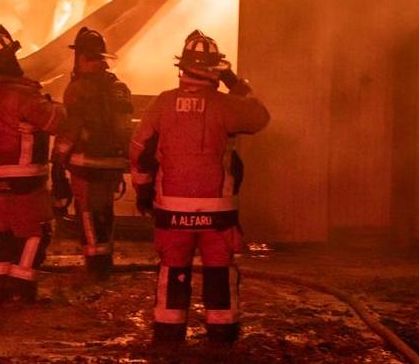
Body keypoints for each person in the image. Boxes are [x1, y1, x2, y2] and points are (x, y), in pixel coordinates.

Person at [129, 30, 270, 344]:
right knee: (219, 268)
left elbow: (139, 152)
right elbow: (261, 117)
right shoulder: (226, 105)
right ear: (214, 70)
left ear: (182, 68)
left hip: (171, 209)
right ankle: (222, 336)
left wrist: (143, 192)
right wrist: (235, 83)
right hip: (217, 212)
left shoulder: (162, 103)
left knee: (172, 267)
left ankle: (168, 335)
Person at [0, 25, 65, 302]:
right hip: (25, 176)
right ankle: (22, 289)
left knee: (0, 233)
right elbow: (55, 121)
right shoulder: (24, 95)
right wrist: (54, 105)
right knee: (35, 232)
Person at [51, 27, 133, 279]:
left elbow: (71, 129)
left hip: (86, 162)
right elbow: (125, 128)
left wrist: (58, 158)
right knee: (104, 211)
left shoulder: (77, 89)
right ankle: (105, 260)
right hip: (113, 163)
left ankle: (95, 266)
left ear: (82, 57)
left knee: (87, 212)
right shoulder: (118, 87)